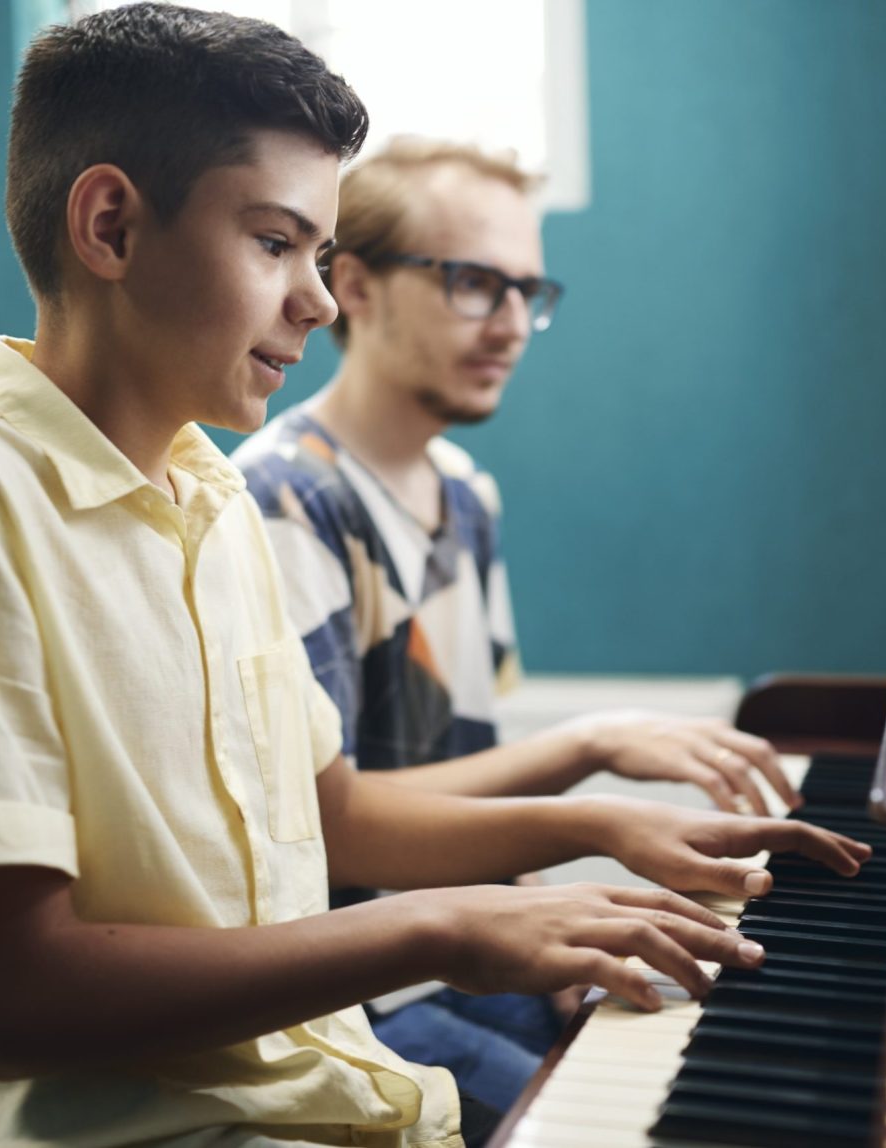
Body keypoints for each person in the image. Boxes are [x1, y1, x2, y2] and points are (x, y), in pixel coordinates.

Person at [0, 7, 871, 1148]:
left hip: (334, 1091)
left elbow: (337, 813)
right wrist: (436, 931)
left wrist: (605, 822)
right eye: (275, 244)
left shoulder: (212, 504)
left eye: (318, 257)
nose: (319, 301)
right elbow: (19, 998)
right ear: (111, 224)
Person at [233, 138, 806, 1104]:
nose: (509, 325)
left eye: (526, 293)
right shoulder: (286, 499)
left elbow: (463, 782)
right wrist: (593, 746)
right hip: (360, 995)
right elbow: (333, 828)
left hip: (475, 952)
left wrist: (559, 937)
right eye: (472, 283)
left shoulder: (466, 494)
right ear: (358, 288)